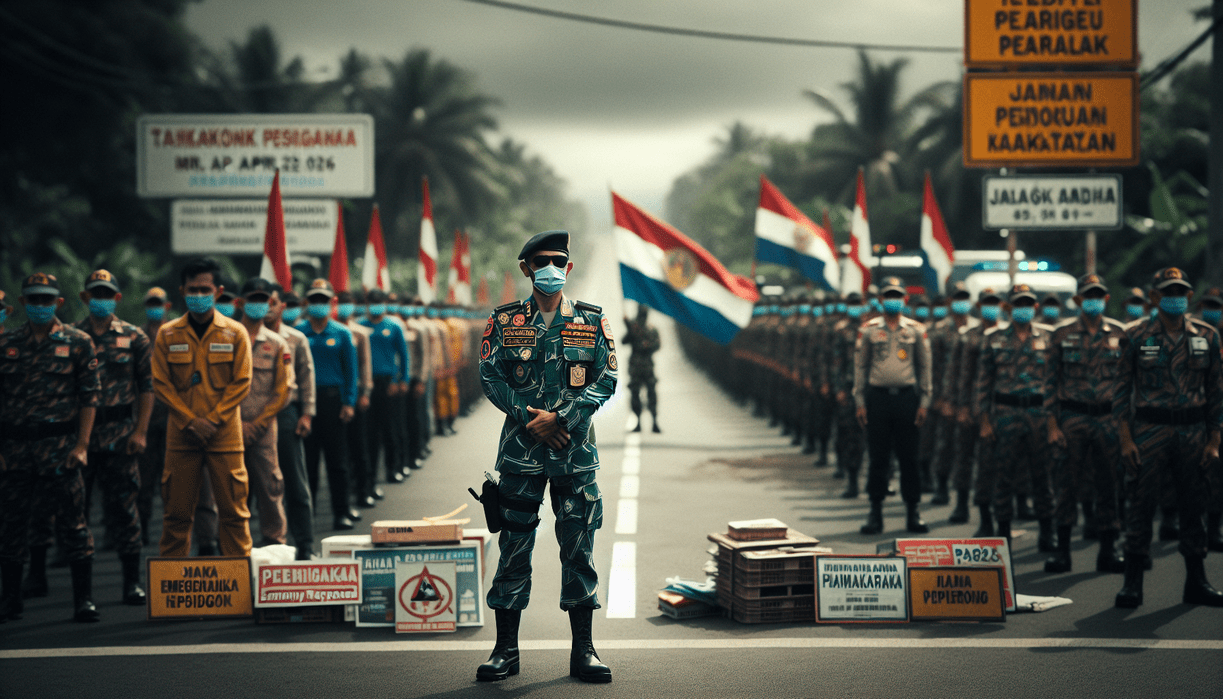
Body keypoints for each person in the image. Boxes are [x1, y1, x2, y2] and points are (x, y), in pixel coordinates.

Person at [477, 230, 616, 684]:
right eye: (542, 261)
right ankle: (505, 651)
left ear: (569, 268)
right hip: (521, 454)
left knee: (579, 548)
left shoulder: (592, 320)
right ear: (526, 268)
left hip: (574, 454)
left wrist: (562, 417)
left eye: (559, 261)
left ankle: (584, 650)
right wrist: (529, 417)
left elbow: (606, 378)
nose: (551, 268)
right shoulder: (503, 321)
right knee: (514, 549)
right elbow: (490, 375)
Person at [1114, 267, 1223, 608]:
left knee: (1194, 504)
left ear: (1189, 296)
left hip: (1193, 432)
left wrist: (1214, 440)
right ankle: (1133, 582)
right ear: (1155, 297)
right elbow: (1120, 392)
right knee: (1141, 505)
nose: (1175, 297)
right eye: (1167, 291)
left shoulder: (1207, 335)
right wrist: (1125, 440)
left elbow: (1216, 392)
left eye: (1180, 291)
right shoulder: (1134, 334)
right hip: (1149, 430)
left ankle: (1197, 580)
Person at [0, 274, 102, 623]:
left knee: (74, 524)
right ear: (24, 302)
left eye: (46, 300)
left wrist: (83, 445)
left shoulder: (78, 342)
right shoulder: (6, 344)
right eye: (33, 300)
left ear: (58, 302)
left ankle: (83, 600)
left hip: (61, 447)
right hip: (15, 449)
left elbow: (90, 397)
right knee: (12, 525)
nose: (40, 306)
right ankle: (10, 598)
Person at [150, 258, 253, 558]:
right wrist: (189, 420)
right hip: (182, 437)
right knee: (176, 517)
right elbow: (160, 383)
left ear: (218, 291)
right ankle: (173, 591)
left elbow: (242, 382)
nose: (198, 295)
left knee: (234, 515)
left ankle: (240, 588)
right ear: (182, 291)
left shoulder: (235, 333)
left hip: (225, 436)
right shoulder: (168, 334)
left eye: (204, 289)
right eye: (192, 289)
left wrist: (213, 420)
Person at [70, 270, 152, 605]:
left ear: (116, 298)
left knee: (124, 509)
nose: (100, 299)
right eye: (95, 293)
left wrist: (141, 430)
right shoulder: (71, 337)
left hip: (121, 436)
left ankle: (131, 582)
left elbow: (147, 386)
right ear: (85, 298)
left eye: (107, 293)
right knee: (77, 512)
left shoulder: (135, 337)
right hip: (81, 440)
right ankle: (83, 594)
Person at [194, 279, 293, 550]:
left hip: (262, 431)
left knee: (270, 490)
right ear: (239, 303)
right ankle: (218, 548)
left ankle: (274, 546)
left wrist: (257, 424)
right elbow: (210, 387)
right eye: (253, 299)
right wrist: (236, 422)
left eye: (264, 300)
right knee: (219, 492)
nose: (258, 305)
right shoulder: (220, 338)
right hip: (224, 429)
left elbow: (282, 391)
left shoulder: (278, 344)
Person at [1043, 274, 1127, 574]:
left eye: (1098, 295)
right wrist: (1052, 426)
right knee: (1067, 485)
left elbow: (1126, 383)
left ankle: (1108, 550)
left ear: (1105, 299)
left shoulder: (1119, 333)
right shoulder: (1061, 334)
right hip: (1073, 418)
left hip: (1108, 418)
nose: (1093, 300)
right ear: (1078, 300)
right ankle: (1062, 551)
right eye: (1087, 295)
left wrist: (1125, 426)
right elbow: (1050, 383)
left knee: (1108, 484)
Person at [974, 284, 1056, 549]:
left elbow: (1055, 382)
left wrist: (1055, 421)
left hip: (1038, 414)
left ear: (1035, 307)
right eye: (1018, 303)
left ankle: (1047, 532)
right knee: (1003, 475)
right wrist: (984, 421)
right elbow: (984, 383)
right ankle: (1003, 532)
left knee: (1042, 475)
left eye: (1028, 303)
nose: (1024, 308)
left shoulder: (1048, 337)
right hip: (1005, 414)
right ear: (1009, 308)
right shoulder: (994, 338)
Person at [853, 277, 933, 535]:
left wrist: (924, 401)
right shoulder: (869, 330)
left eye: (897, 295)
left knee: (909, 457)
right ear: (881, 300)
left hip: (906, 399)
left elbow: (924, 367)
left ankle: (913, 511)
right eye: (889, 296)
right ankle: (875, 513)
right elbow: (861, 366)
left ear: (904, 300)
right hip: (878, 398)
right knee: (878, 457)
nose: (893, 300)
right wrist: (860, 400)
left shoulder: (916, 330)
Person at [296, 279, 359, 531]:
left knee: (337, 462)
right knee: (307, 463)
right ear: (307, 304)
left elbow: (350, 371)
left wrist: (349, 402)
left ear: (331, 303)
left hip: (334, 401)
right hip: (306, 403)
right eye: (314, 300)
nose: (318, 305)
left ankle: (341, 512)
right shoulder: (299, 333)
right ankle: (306, 517)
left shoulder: (342, 333)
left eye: (323, 300)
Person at [264, 285, 318, 560]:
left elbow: (306, 378)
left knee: (295, 481)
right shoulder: (239, 336)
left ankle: (305, 544)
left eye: (272, 301)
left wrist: (306, 414)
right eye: (262, 301)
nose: (267, 307)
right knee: (250, 485)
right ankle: (261, 548)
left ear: (282, 305)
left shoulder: (296, 338)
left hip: (286, 413)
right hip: (250, 417)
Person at [361, 289, 411, 488]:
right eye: (372, 302)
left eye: (378, 301)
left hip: (388, 382)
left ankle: (394, 468)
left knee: (390, 428)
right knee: (370, 433)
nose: (375, 305)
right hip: (368, 383)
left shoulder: (394, 326)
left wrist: (402, 380)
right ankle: (370, 475)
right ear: (367, 304)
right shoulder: (360, 326)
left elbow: (403, 355)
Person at [137, 287, 173, 545]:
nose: (154, 307)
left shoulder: (177, 333)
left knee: (173, 478)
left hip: (173, 416)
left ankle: (173, 531)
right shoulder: (136, 336)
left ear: (167, 305)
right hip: (145, 418)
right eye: (150, 303)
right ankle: (143, 529)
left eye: (158, 303)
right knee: (144, 478)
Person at [336, 291, 376, 508]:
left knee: (360, 446)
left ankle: (364, 490)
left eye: (347, 303)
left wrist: (365, 393)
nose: (343, 307)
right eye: (340, 303)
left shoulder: (359, 333)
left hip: (356, 395)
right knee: (340, 451)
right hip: (335, 397)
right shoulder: (328, 330)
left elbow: (364, 365)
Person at [830, 293, 867, 496]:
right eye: (852, 304)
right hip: (848, 391)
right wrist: (839, 389)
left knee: (868, 438)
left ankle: (876, 480)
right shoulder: (842, 332)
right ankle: (851, 478)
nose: (855, 307)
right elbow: (837, 363)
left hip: (868, 393)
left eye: (858, 303)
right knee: (848, 433)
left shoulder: (870, 330)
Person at [1197, 288, 1223, 552]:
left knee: (1218, 475)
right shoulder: (1196, 334)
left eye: (1216, 306)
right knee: (1200, 474)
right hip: (1200, 413)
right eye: (1208, 306)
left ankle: (1214, 527)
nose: (1211, 311)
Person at [623, 304, 661, 433]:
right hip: (636, 366)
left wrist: (646, 345)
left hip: (647, 366)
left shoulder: (651, 330)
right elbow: (624, 341)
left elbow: (657, 345)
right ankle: (638, 421)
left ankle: (654, 421)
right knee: (635, 393)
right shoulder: (634, 328)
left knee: (651, 394)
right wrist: (629, 328)